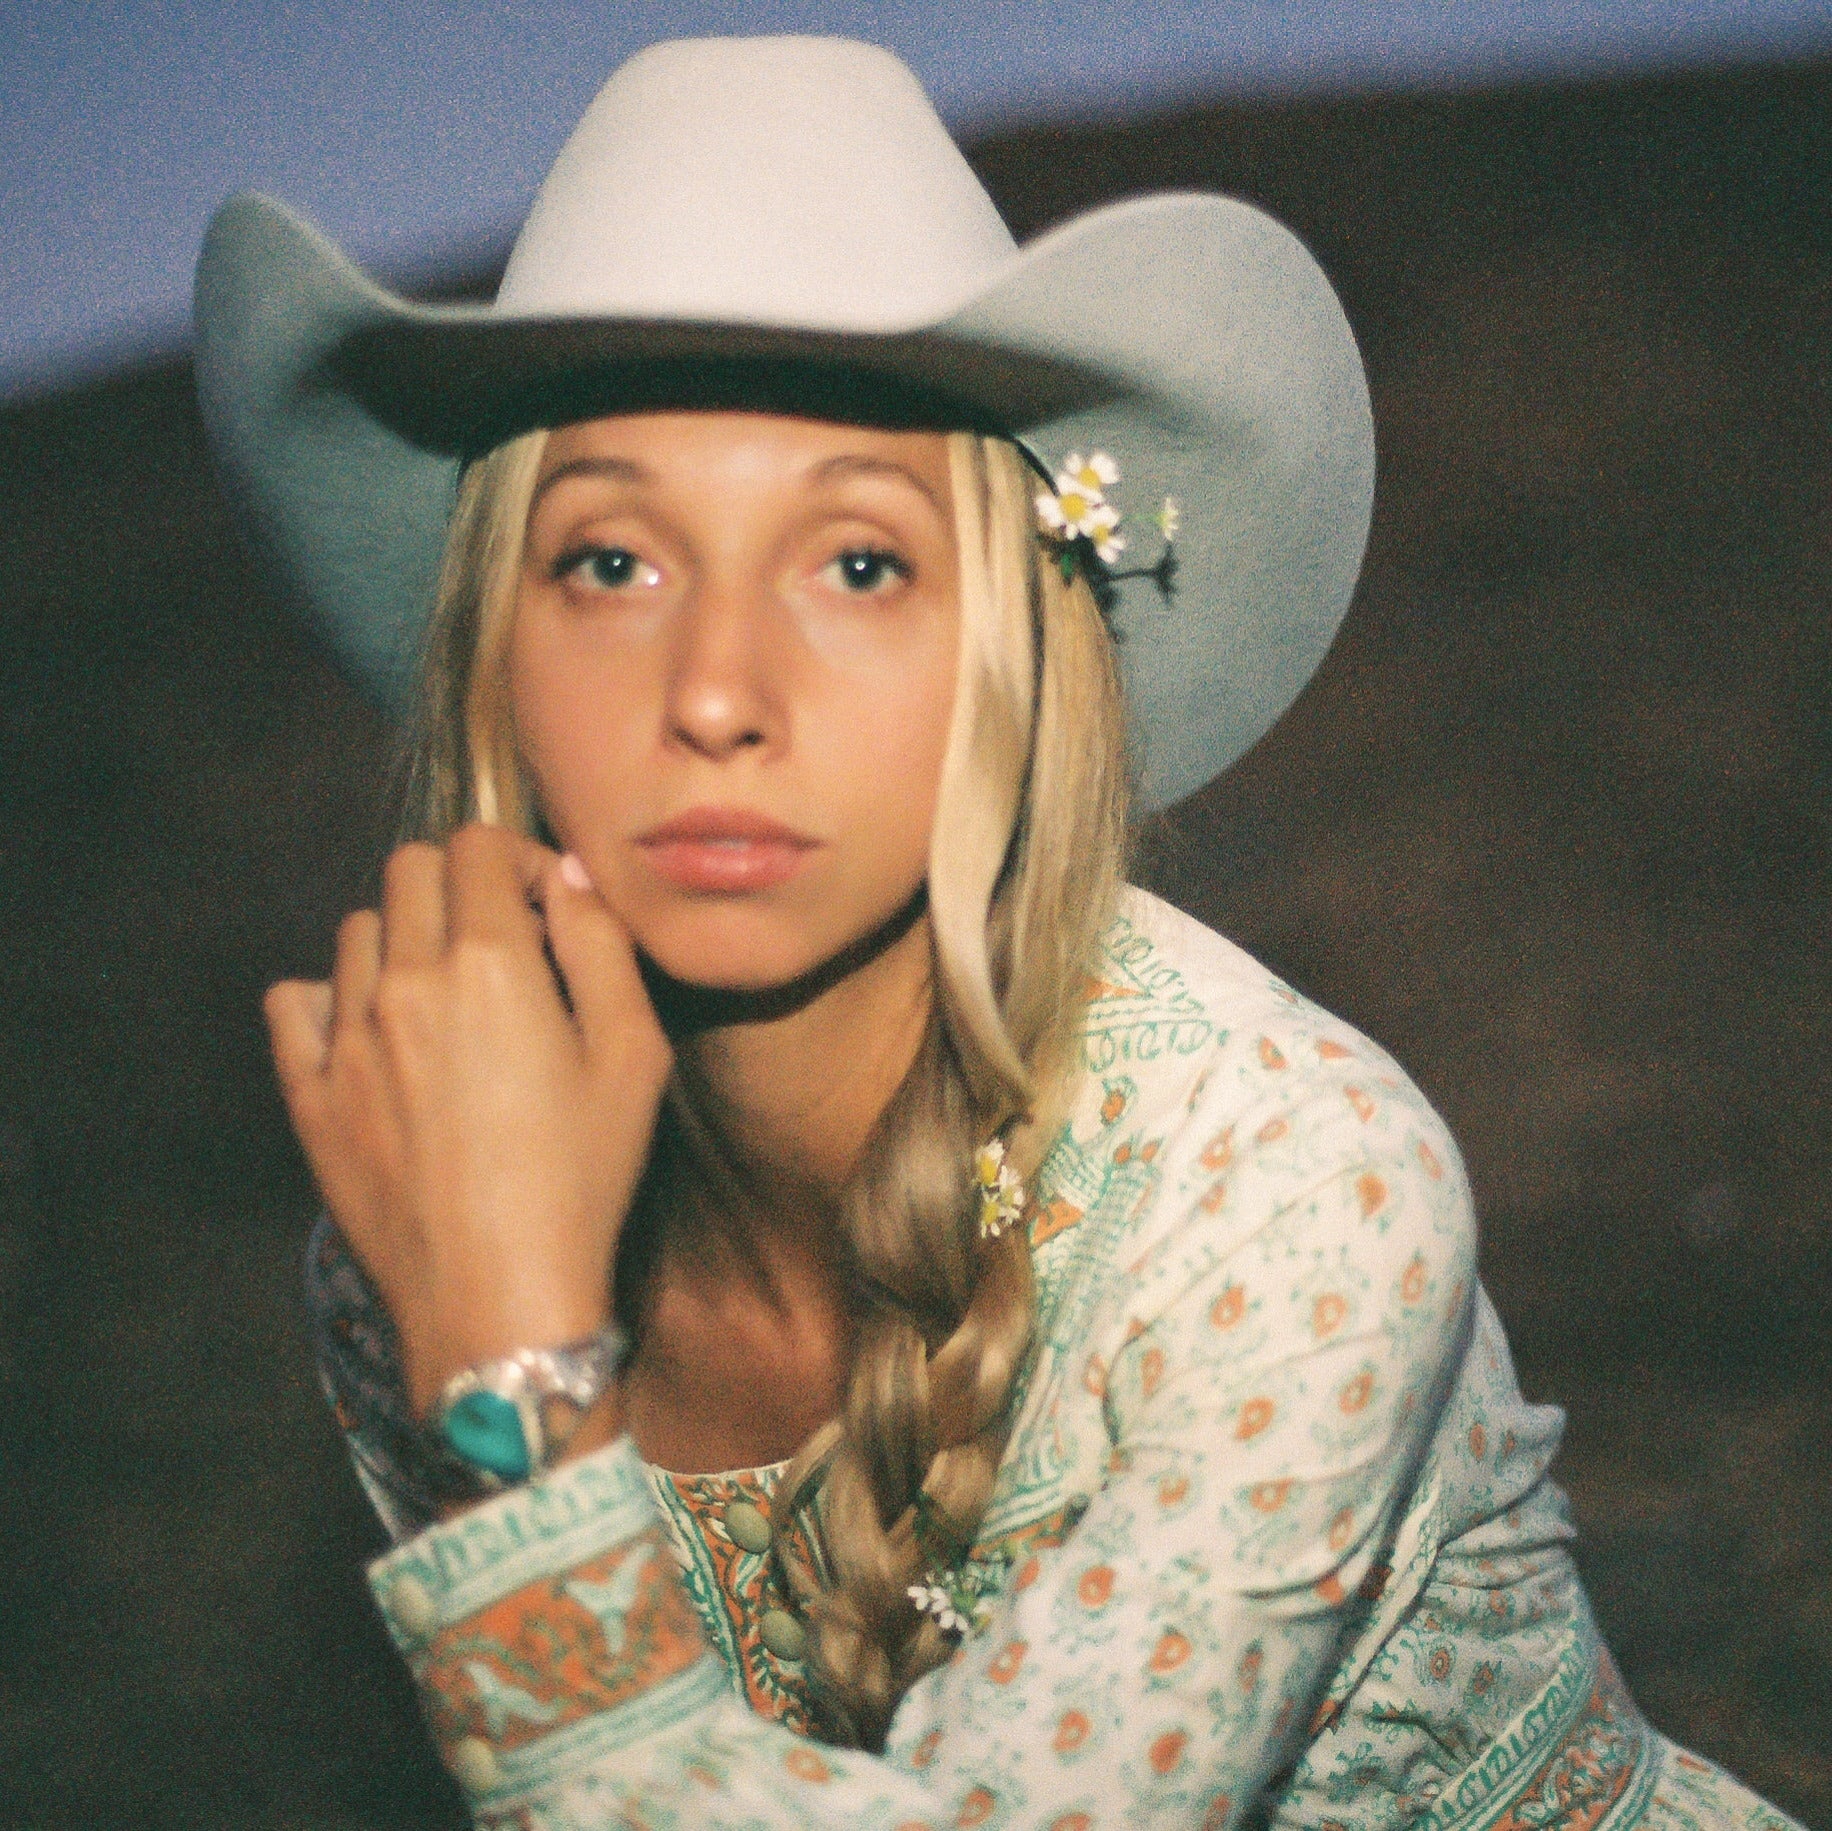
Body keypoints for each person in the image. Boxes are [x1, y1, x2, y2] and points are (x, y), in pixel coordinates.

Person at [193, 34, 1799, 1831]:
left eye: (860, 562)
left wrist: (514, 1381)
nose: (717, 691)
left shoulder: (1290, 1179)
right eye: (613, 563)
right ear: (497, 652)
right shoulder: (414, 1226)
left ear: (1016, 664)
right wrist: (488, 1315)